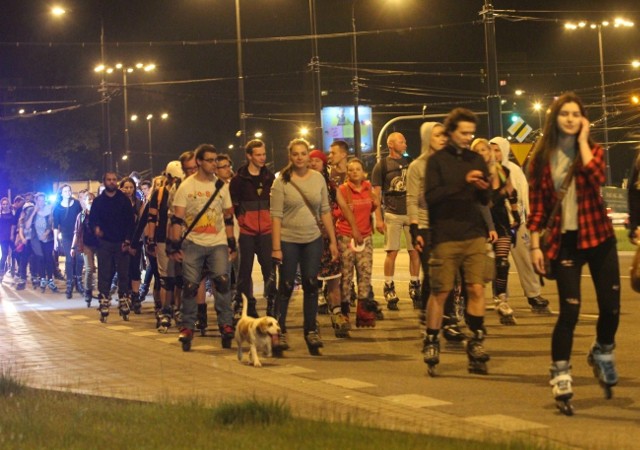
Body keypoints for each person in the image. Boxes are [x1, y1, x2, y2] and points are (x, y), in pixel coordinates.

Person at [527, 92, 620, 413]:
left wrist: (583, 140)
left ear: (583, 119)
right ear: (555, 118)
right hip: (565, 243)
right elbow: (537, 208)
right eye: (564, 113)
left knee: (610, 308)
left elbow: (597, 178)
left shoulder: (592, 150)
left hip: (599, 239)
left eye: (575, 114)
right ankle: (561, 373)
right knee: (570, 312)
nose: (569, 118)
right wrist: (535, 246)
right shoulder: (540, 159)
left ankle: (602, 350)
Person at [423, 108, 491, 376]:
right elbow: (431, 197)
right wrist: (463, 183)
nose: (468, 137)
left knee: (476, 288)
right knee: (441, 291)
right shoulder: (437, 161)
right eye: (463, 132)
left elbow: (485, 201)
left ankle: (476, 341)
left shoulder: (477, 158)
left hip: (473, 233)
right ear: (451, 132)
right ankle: (431, 339)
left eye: (471, 133)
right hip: (445, 235)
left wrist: (487, 187)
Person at [270, 138, 338, 355]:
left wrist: (333, 241)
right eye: (295, 154)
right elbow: (276, 216)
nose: (300, 157)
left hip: (312, 239)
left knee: (311, 284)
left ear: (309, 156)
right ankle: (279, 331)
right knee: (287, 285)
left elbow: (325, 210)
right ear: (290, 157)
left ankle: (311, 330)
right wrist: (276, 247)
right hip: (288, 240)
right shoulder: (281, 181)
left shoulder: (318, 178)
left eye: (303, 153)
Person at [168, 144, 237, 351]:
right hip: (193, 243)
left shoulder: (221, 186)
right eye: (209, 160)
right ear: (199, 162)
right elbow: (177, 219)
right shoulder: (187, 187)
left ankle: (225, 324)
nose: (214, 164)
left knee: (223, 282)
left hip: (217, 242)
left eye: (215, 160)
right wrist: (174, 246)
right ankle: (188, 327)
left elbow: (228, 217)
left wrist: (231, 243)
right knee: (190, 285)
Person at [489, 137, 550, 314]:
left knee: (524, 260)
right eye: (491, 149)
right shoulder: (488, 170)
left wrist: (529, 219)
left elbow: (524, 194)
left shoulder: (514, 170)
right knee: (499, 263)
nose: (494, 154)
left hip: (518, 223)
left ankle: (533, 294)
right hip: (498, 223)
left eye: (498, 150)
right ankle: (501, 298)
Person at [309, 148, 360, 337]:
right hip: (308, 238)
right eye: (311, 161)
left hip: (329, 238)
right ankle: (310, 318)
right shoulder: (301, 183)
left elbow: (345, 207)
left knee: (334, 279)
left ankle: (337, 314)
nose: (313, 164)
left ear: (324, 165)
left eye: (317, 161)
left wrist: (354, 229)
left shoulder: (330, 186)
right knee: (310, 281)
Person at [471, 138, 520, 326]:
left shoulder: (502, 171)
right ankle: (465, 302)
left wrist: (516, 215)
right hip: (480, 223)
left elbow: (511, 192)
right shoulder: (474, 174)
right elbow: (482, 202)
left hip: (501, 220)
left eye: (486, 149)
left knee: (502, 262)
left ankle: (501, 300)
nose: (484, 152)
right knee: (479, 268)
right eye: (479, 150)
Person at [371, 132, 421, 310]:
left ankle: (415, 285)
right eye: (402, 141)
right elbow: (376, 195)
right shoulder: (382, 166)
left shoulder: (412, 163)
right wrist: (378, 218)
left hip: (411, 214)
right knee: (391, 252)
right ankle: (388, 286)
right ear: (391, 144)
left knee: (414, 251)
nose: (405, 144)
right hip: (392, 214)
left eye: (405, 141)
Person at [229, 139, 275, 319]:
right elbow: (233, 206)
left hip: (266, 231)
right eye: (258, 154)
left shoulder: (269, 177)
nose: (262, 158)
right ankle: (247, 304)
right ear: (249, 156)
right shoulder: (238, 180)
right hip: (246, 232)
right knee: (244, 270)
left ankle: (272, 303)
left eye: (264, 154)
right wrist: (241, 221)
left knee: (270, 270)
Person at [406, 122, 447, 314]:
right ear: (427, 138)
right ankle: (426, 315)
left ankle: (448, 319)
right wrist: (415, 229)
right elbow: (412, 199)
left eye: (444, 135)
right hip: (424, 225)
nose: (442, 138)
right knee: (431, 274)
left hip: (446, 225)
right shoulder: (417, 166)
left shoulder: (449, 163)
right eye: (437, 135)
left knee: (447, 275)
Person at [335, 158, 379, 329]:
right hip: (346, 237)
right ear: (347, 173)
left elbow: (373, 207)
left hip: (365, 237)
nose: (355, 172)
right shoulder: (343, 190)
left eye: (358, 169)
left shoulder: (368, 188)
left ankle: (363, 312)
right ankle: (344, 312)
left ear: (363, 172)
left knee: (365, 274)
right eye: (351, 170)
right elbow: (337, 212)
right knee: (346, 276)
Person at [89, 172, 136, 322]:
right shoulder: (98, 202)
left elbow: (131, 222)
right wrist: (96, 228)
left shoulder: (124, 200)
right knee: (104, 272)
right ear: (104, 182)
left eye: (114, 180)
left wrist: (128, 240)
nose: (112, 182)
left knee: (123, 273)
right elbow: (92, 220)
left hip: (121, 242)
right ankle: (104, 299)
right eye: (109, 180)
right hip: (104, 243)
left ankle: (123, 298)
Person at [53, 184, 84, 299]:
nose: (67, 192)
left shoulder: (76, 204)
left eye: (69, 190)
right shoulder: (57, 208)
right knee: (70, 260)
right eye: (65, 191)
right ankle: (69, 284)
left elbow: (82, 216)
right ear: (61, 193)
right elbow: (56, 225)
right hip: (66, 237)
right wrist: (56, 240)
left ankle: (79, 282)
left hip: (78, 235)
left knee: (80, 259)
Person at [24, 193, 58, 293]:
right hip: (36, 239)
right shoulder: (31, 210)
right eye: (39, 200)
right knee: (40, 257)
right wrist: (34, 212)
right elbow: (27, 226)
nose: (41, 203)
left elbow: (52, 222)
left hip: (48, 238)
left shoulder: (49, 209)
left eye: (43, 200)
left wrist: (47, 233)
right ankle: (42, 278)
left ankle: (50, 279)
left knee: (49, 258)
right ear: (36, 201)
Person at [71, 191, 99, 307]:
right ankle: (88, 292)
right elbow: (77, 232)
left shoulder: (99, 214)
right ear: (84, 201)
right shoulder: (81, 216)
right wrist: (73, 247)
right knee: (89, 269)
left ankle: (103, 291)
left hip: (99, 244)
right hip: (86, 244)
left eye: (93, 199)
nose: (91, 201)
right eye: (89, 199)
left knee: (102, 268)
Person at [0, 197, 16, 278]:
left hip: (10, 235)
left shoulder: (11, 213)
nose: (5, 205)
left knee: (14, 252)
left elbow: (13, 225)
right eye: (3, 204)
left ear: (8, 204)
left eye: (6, 204)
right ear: (1, 205)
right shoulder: (0, 214)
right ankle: (1, 270)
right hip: (2, 236)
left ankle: (13, 268)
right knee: (4, 253)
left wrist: (12, 235)